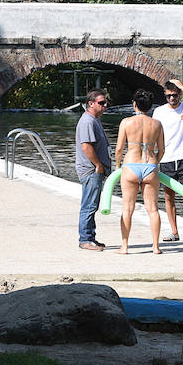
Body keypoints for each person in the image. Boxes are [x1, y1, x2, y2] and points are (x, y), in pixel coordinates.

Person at [111, 88, 166, 254]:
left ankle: (125, 246)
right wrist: (155, 164)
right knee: (153, 209)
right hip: (150, 166)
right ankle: (156, 247)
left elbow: (119, 149)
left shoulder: (126, 122)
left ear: (134, 104)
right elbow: (162, 150)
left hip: (131, 166)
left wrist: (118, 166)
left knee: (127, 209)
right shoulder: (156, 124)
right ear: (150, 107)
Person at [154, 78, 183, 242]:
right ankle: (174, 232)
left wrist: (182, 86)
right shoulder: (159, 112)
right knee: (169, 197)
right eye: (168, 96)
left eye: (174, 95)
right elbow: (154, 134)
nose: (172, 99)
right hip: (166, 159)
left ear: (179, 94)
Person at [75, 88, 112, 252]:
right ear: (91, 104)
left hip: (95, 171)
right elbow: (86, 146)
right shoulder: (88, 121)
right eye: (101, 103)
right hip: (91, 171)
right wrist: (98, 165)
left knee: (93, 205)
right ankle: (85, 239)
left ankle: (91, 236)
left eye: (106, 103)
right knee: (89, 205)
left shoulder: (94, 120)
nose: (105, 106)